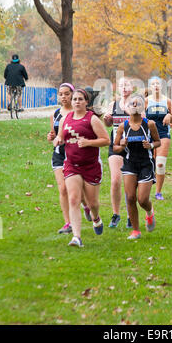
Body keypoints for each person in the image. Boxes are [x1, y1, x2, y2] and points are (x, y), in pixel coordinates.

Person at [56, 89, 110, 247]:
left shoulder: (92, 119)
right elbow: (61, 136)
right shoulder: (66, 118)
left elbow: (106, 140)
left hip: (91, 166)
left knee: (92, 203)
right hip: (71, 164)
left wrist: (88, 143)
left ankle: (96, 217)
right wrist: (58, 140)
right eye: (74, 99)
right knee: (73, 198)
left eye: (80, 99)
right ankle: (76, 237)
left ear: (86, 102)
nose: (77, 102)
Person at [113, 94, 161, 240]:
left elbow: (158, 141)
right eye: (132, 104)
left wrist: (151, 145)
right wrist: (121, 144)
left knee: (142, 199)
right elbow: (115, 148)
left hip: (146, 164)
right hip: (129, 164)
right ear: (127, 107)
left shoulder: (149, 124)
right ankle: (135, 231)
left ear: (143, 107)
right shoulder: (123, 126)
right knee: (131, 197)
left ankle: (149, 212)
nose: (134, 106)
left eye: (138, 103)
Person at [47, 83, 92, 234]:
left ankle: (86, 205)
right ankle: (68, 223)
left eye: (67, 94)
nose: (64, 97)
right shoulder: (56, 114)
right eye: (61, 94)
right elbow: (54, 135)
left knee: (77, 190)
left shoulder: (78, 111)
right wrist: (51, 137)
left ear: (72, 95)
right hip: (59, 154)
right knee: (63, 188)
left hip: (75, 154)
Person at [103, 77, 133, 229]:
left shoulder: (137, 103)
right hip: (115, 145)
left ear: (132, 87)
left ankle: (130, 215)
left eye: (126, 84)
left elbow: (144, 121)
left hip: (133, 147)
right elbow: (108, 123)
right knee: (115, 180)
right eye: (121, 85)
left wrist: (130, 112)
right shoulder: (113, 104)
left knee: (129, 183)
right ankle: (116, 215)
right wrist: (107, 119)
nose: (123, 87)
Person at [145, 76, 172, 200]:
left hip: (163, 134)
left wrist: (169, 116)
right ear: (150, 87)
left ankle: (158, 192)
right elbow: (140, 118)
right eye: (153, 84)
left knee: (160, 164)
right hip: (148, 135)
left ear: (161, 86)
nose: (156, 86)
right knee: (149, 162)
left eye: (158, 83)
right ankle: (145, 187)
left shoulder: (167, 101)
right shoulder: (146, 101)